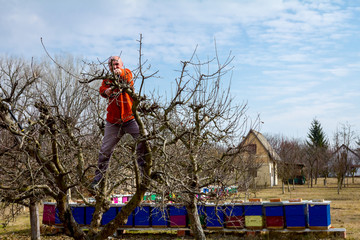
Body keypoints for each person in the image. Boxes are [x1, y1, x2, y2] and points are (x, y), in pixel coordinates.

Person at [90, 56, 146, 190]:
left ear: (121, 65)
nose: (114, 67)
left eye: (116, 64)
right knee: (105, 150)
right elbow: (102, 90)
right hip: (113, 121)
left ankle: (145, 172)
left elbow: (128, 77)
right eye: (111, 65)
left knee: (144, 139)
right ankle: (98, 178)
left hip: (130, 118)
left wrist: (120, 73)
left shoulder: (127, 73)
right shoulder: (108, 80)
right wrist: (106, 91)